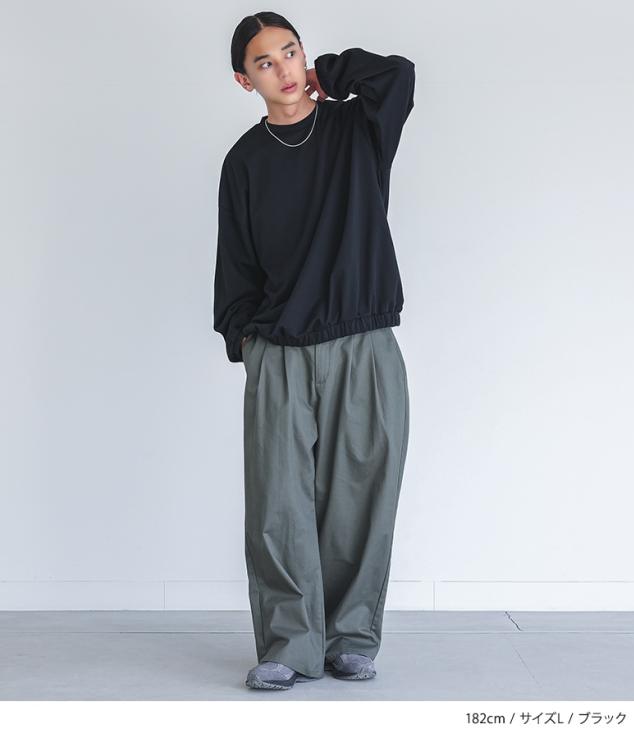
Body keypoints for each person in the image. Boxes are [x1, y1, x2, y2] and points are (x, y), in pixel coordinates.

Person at [213, 11, 414, 690]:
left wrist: (334, 72)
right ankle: (289, 644)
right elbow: (236, 265)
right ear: (244, 80)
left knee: (361, 499)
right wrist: (245, 339)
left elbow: (399, 77)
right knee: (278, 506)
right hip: (279, 350)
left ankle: (350, 638)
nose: (285, 70)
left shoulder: (358, 129)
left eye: (291, 52)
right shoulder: (244, 161)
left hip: (363, 341)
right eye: (266, 62)